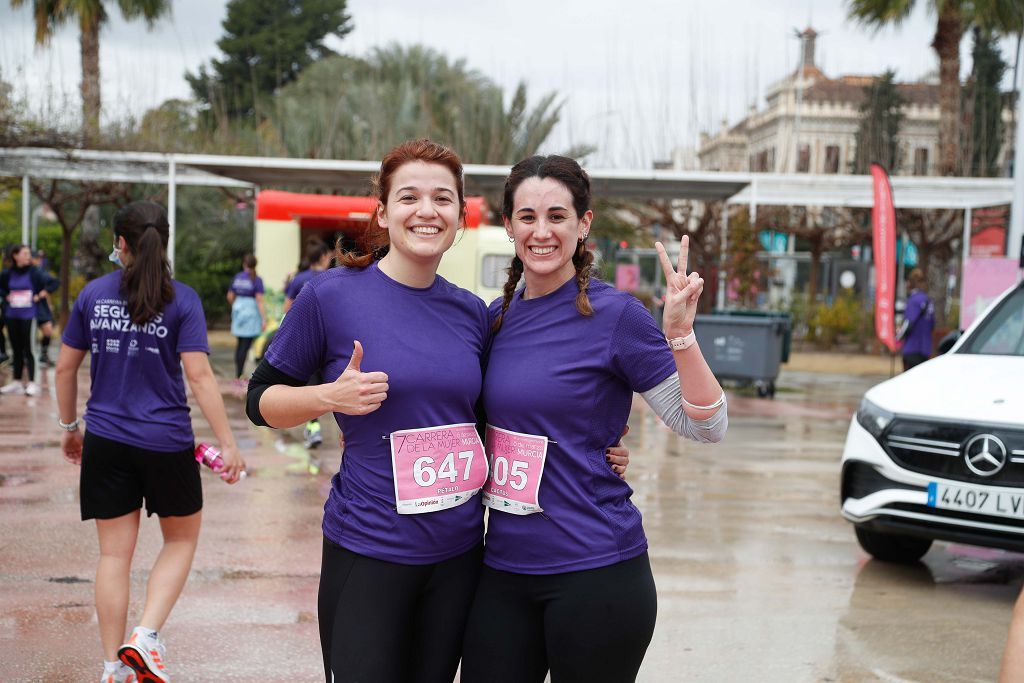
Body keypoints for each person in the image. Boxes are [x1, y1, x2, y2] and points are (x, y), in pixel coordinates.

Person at [245, 140, 630, 683]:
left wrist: (596, 446)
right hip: (369, 550)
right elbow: (259, 401)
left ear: (460, 216)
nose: (426, 211)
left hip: (459, 557)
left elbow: (499, 417)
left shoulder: (475, 314)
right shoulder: (329, 297)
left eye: (442, 199)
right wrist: (326, 397)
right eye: (409, 197)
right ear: (381, 211)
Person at [460, 155, 728, 682]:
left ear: (583, 224)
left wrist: (680, 334)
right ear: (509, 225)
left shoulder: (616, 316)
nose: (542, 231)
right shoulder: (494, 320)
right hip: (503, 571)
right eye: (528, 217)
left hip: (596, 571)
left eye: (557, 216)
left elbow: (705, 425)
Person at [55, 201, 245, 683]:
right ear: (163, 240)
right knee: (180, 541)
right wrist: (229, 443)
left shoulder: (93, 296)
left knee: (113, 556)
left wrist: (70, 429)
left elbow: (64, 368)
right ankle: (145, 635)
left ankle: (110, 669)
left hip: (106, 440)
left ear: (121, 244)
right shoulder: (183, 300)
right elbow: (200, 378)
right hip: (166, 442)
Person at [284, 240, 333, 448]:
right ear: (323, 257)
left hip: (306, 342)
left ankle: (314, 428)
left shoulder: (298, 279)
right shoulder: (331, 279)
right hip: (332, 341)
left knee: (312, 387)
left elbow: (287, 309)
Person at [0, 244, 57, 395]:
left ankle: (32, 382)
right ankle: (17, 382)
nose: (28, 256)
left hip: (29, 315)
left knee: (30, 349)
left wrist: (41, 294)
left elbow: (54, 282)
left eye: (29, 254)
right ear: (15, 256)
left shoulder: (35, 272)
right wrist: (6, 295)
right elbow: (1, 287)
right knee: (16, 349)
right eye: (25, 254)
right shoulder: (8, 273)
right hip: (12, 315)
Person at [226, 253, 267, 382]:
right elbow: (260, 300)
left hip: (238, 311)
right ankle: (240, 375)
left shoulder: (237, 277)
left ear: (244, 264)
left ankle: (238, 373)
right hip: (251, 313)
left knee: (239, 344)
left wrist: (237, 306)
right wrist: (264, 319)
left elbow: (230, 296)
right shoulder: (257, 279)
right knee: (246, 345)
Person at [897, 267, 934, 371]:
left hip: (912, 348)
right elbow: (932, 325)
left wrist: (897, 338)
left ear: (910, 283)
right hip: (925, 349)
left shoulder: (913, 301)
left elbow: (908, 324)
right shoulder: (928, 301)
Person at [32, 249, 60, 367]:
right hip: (22, 305)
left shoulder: (39, 272)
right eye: (37, 258)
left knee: (48, 329)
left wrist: (44, 292)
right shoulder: (22, 271)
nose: (40, 260)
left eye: (41, 258)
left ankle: (44, 355)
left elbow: (55, 282)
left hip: (39, 304)